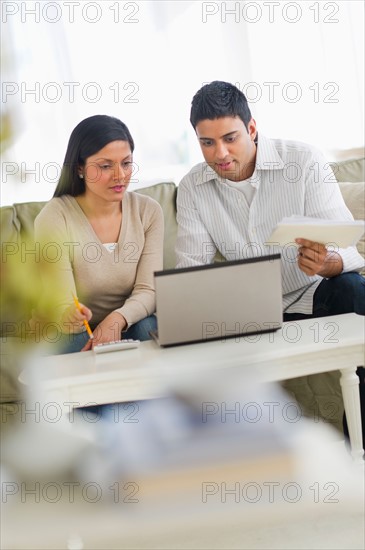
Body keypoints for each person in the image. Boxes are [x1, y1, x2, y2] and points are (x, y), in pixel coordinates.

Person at [175, 80, 365, 445]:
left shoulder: (304, 161)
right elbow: (189, 276)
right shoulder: (193, 188)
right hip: (248, 313)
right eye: (207, 143)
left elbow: (350, 248)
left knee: (354, 290)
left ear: (251, 128)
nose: (220, 154)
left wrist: (330, 263)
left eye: (230, 138)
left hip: (314, 294)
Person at [32, 114, 164, 353]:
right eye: (105, 166)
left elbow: (148, 291)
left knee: (147, 328)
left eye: (126, 163)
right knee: (72, 338)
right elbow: (63, 301)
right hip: (77, 330)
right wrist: (68, 314)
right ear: (80, 167)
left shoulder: (148, 211)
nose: (120, 176)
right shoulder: (54, 217)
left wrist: (116, 319)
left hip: (128, 321)